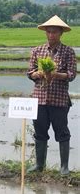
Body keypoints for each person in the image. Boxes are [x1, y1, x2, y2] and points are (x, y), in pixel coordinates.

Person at [27, 15, 76, 175]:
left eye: (54, 32)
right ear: (45, 33)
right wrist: (38, 73)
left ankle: (64, 167)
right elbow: (30, 72)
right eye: (49, 32)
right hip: (39, 99)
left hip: (59, 99)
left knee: (62, 132)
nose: (51, 35)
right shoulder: (37, 51)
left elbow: (72, 74)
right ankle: (39, 165)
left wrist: (56, 74)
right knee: (40, 132)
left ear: (61, 33)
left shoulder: (68, 52)